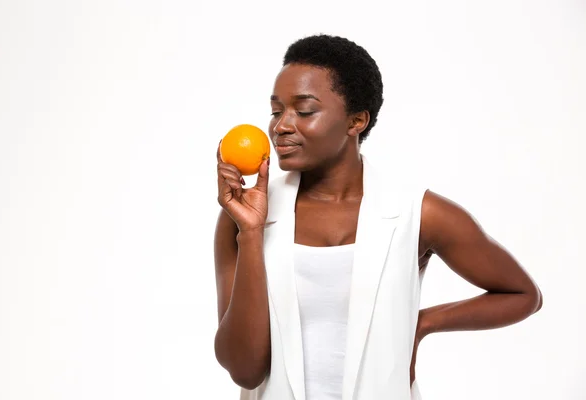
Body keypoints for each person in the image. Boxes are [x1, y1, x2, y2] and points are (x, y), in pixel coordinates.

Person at [213, 34, 542, 400]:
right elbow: (244, 369)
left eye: (304, 111)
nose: (280, 126)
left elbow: (522, 294)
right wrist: (252, 233)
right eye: (276, 111)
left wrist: (423, 323)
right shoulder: (242, 218)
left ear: (357, 120)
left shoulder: (419, 212)